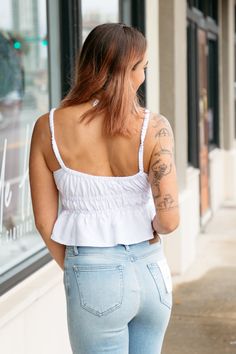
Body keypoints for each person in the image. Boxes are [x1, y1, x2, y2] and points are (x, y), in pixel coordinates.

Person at [29, 23, 180, 354]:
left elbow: (44, 222)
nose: (143, 76)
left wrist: (77, 267)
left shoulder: (48, 128)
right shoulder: (155, 128)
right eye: (142, 68)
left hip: (92, 274)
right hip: (152, 272)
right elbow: (169, 221)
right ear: (128, 70)